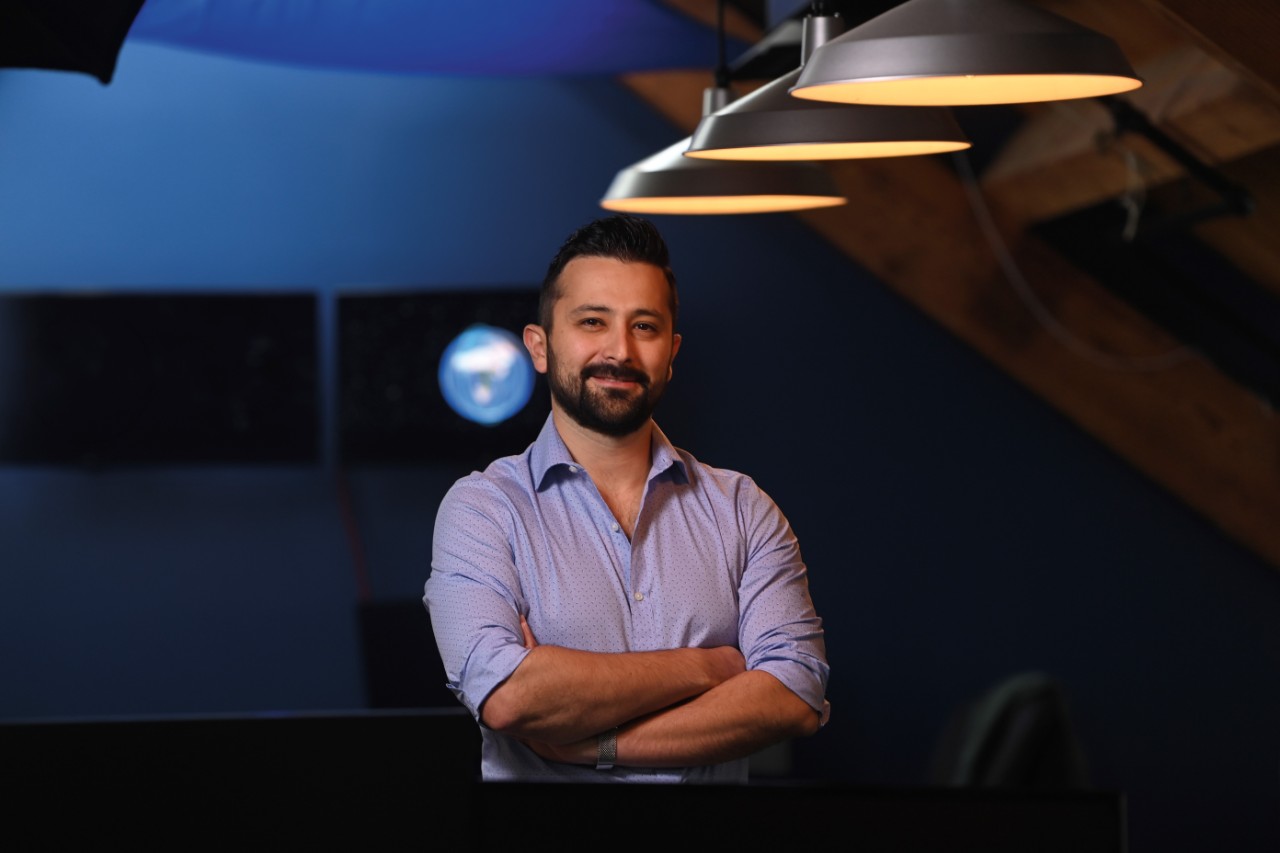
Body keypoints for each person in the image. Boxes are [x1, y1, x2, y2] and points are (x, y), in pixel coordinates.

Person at [424, 214, 829, 783]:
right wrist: (712, 665)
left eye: (645, 327)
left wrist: (592, 745)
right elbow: (510, 697)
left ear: (672, 350)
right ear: (539, 347)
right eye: (593, 321)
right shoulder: (483, 510)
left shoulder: (743, 509)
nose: (619, 350)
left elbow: (795, 693)